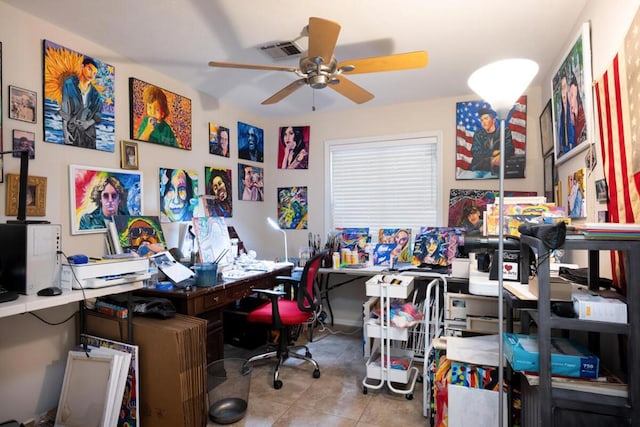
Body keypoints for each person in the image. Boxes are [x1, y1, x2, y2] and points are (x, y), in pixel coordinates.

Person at [60, 56, 103, 149]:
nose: (92, 75)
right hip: (72, 130)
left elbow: (98, 115)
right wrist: (65, 132)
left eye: (95, 73)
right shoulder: (69, 84)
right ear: (82, 66)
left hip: (89, 133)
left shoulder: (96, 94)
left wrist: (88, 123)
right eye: (90, 69)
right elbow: (65, 109)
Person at [470, 107, 514, 175]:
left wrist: (501, 156)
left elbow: (509, 148)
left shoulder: (504, 131)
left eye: (486, 119)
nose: (483, 122)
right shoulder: (478, 135)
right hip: (478, 168)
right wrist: (494, 152)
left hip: (498, 170)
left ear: (493, 120)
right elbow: (476, 153)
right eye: (481, 120)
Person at [568, 74, 586, 149]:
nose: (570, 101)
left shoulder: (583, 115)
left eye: (572, 96)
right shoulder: (574, 119)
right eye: (569, 97)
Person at [556, 72, 570, 154]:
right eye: (562, 88)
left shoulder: (571, 109)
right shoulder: (560, 111)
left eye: (565, 87)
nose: (563, 91)